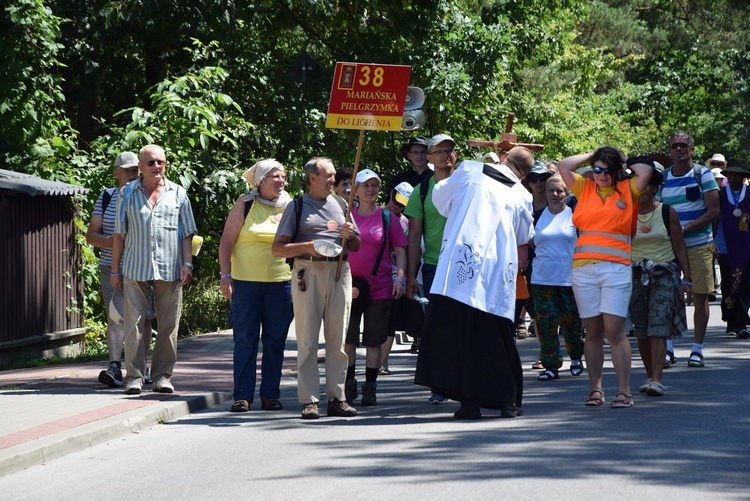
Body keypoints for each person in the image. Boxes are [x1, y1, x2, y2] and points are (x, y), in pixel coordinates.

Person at [414, 146, 536, 419]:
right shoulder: (522, 195)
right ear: (525, 174)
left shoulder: (470, 170)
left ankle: (469, 402)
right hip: (495, 274)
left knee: (460, 335)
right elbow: (522, 235)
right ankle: (507, 401)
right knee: (496, 336)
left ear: (503, 158)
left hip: (461, 267)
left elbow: (440, 199)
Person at [558, 147, 653, 408]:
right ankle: (595, 390)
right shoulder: (584, 188)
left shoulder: (627, 189)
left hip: (616, 269)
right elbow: (564, 166)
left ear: (616, 171)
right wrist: (592, 155)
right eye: (597, 170)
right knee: (592, 332)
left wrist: (621, 159)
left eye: (606, 170)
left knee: (614, 331)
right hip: (584, 270)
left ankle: (624, 391)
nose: (600, 175)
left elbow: (646, 170)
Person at [272, 157, 361, 420]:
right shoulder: (297, 206)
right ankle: (310, 400)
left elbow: (355, 246)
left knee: (338, 340)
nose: (334, 180)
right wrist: (308, 247)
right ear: (313, 177)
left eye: (334, 175)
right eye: (329, 176)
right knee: (308, 339)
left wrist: (351, 235)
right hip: (307, 271)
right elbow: (278, 249)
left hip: (339, 270)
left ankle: (338, 398)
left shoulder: (342, 204)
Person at [110, 144, 198, 395]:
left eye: (161, 162)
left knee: (169, 325)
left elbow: (186, 234)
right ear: (140, 166)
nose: (157, 167)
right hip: (135, 269)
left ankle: (162, 377)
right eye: (151, 163)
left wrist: (187, 264)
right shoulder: (126, 194)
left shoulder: (179, 193)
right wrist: (115, 271)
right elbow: (119, 235)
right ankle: (135, 378)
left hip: (170, 270)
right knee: (134, 325)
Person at [218, 159, 294, 412]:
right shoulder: (246, 203)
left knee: (275, 341)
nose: (281, 181)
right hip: (245, 284)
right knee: (245, 340)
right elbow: (226, 242)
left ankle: (270, 394)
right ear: (260, 181)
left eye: (283, 176)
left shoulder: (291, 205)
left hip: (281, 284)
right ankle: (242, 395)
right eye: (275, 177)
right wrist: (225, 276)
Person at [86, 152, 151, 388]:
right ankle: (114, 366)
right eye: (127, 170)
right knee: (115, 317)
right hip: (110, 267)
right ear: (116, 173)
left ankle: (142, 367)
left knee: (144, 319)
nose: (133, 174)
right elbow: (91, 236)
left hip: (142, 268)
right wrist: (115, 241)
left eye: (136, 170)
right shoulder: (106, 197)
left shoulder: (149, 196)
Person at [344, 169, 408, 406]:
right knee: (348, 339)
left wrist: (400, 278)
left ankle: (370, 386)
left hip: (379, 287)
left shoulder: (387, 218)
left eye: (375, 185)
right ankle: (349, 385)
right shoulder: (346, 217)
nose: (371, 190)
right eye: (366, 185)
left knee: (373, 340)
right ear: (356, 190)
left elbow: (400, 251)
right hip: (348, 286)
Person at [404, 133, 457, 404]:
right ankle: (440, 384)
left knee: (462, 326)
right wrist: (411, 275)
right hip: (434, 266)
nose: (446, 155)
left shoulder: (467, 186)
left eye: (450, 150)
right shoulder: (421, 191)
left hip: (464, 265)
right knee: (436, 327)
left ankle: (463, 381)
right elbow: (414, 236)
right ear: (430, 157)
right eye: (439, 151)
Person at [630, 167, 692, 397]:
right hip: (634, 275)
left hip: (663, 273)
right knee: (641, 329)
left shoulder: (667, 212)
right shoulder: (627, 212)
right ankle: (649, 375)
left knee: (658, 326)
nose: (642, 189)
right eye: (639, 184)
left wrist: (688, 280)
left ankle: (657, 379)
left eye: (646, 185)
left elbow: (680, 247)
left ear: (655, 188)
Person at [660, 131, 720, 367]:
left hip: (698, 244)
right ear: (670, 150)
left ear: (692, 149)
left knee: (700, 295)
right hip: (668, 247)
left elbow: (714, 211)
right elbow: (656, 210)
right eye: (674, 145)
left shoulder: (702, 174)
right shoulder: (663, 178)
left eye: (684, 145)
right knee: (665, 295)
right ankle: (667, 348)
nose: (679, 149)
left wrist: (684, 228)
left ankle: (697, 349)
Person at [529, 174, 585, 381]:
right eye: (551, 190)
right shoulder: (536, 217)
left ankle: (576, 358)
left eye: (559, 190)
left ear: (567, 193)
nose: (555, 194)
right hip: (542, 279)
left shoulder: (575, 216)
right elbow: (532, 244)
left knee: (572, 323)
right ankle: (551, 366)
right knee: (546, 325)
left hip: (569, 279)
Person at [380, 181, 419, 375]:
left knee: (389, 318)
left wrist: (405, 277)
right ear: (391, 193)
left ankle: (382, 362)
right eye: (397, 200)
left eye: (404, 203)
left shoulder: (406, 222)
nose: (399, 206)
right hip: (374, 274)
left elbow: (408, 250)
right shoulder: (376, 215)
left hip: (395, 275)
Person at [717, 159, 750, 339]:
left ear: (744, 177)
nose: (734, 177)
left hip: (747, 247)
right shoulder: (720, 195)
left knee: (745, 283)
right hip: (725, 247)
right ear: (727, 176)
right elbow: (714, 219)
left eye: (738, 174)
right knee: (728, 283)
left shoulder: (749, 194)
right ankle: (731, 320)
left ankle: (742, 322)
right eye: (731, 174)